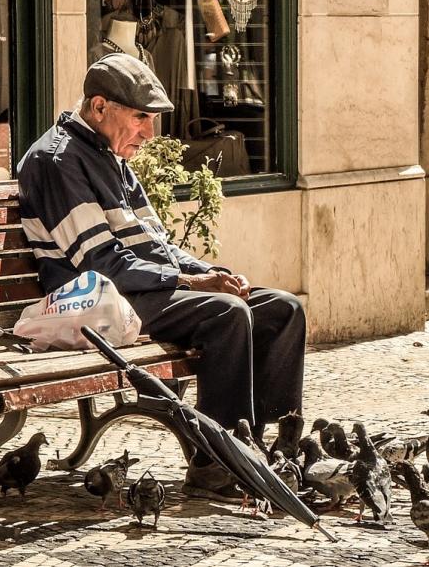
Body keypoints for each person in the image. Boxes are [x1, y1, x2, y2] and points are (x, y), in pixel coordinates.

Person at [16, 53, 306, 502]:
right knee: (225, 314)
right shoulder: (59, 160)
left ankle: (265, 450)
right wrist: (191, 284)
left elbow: (157, 245)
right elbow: (99, 263)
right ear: (99, 107)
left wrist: (207, 271)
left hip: (132, 292)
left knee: (282, 308)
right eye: (141, 118)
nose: (149, 133)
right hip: (91, 304)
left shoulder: (110, 155)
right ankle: (215, 466)